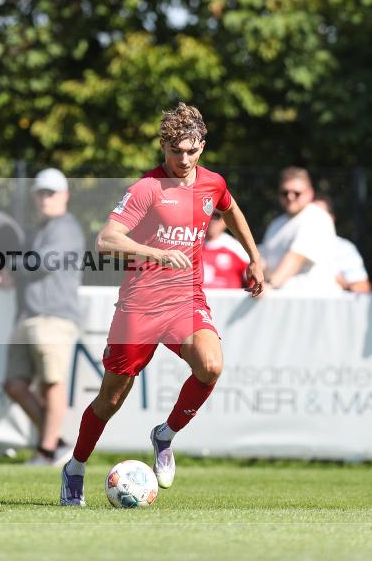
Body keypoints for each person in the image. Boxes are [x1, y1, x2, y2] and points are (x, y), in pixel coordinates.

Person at [59, 104, 264, 506]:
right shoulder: (146, 189)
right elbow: (107, 240)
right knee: (111, 399)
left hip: (186, 299)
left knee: (211, 366)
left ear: (202, 147)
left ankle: (165, 434)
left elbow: (231, 209)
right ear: (162, 147)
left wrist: (254, 257)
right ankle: (76, 467)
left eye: (190, 151)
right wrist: (155, 253)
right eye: (174, 151)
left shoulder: (212, 184)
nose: (182, 160)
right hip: (139, 306)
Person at [3, 168, 85, 466]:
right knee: (14, 384)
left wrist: (11, 266)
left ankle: (47, 450)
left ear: (65, 196)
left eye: (51, 193)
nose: (44, 198)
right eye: (40, 193)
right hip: (29, 316)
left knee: (52, 383)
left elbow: (42, 263)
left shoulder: (66, 227)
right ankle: (58, 444)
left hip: (54, 317)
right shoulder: (37, 230)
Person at [259, 167, 340, 292]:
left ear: (310, 193)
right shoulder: (276, 224)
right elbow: (263, 261)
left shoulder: (316, 217)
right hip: (284, 301)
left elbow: (296, 258)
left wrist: (269, 286)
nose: (290, 197)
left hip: (312, 301)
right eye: (285, 193)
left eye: (296, 193)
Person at [311, 194, 370, 293]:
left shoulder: (345, 249)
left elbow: (363, 288)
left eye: (321, 214)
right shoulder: (289, 243)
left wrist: (341, 283)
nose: (315, 219)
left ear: (332, 218)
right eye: (311, 215)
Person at [201, 210, 249, 289]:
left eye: (217, 216)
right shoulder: (191, 245)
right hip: (197, 299)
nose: (212, 220)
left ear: (225, 221)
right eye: (209, 215)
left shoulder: (235, 247)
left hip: (227, 300)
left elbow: (253, 276)